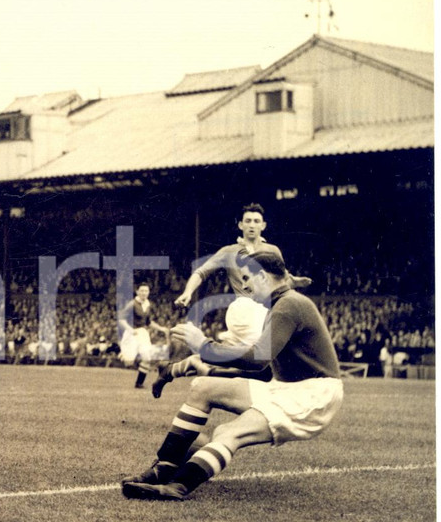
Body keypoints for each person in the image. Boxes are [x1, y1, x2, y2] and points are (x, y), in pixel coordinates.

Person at [121, 252, 342, 501]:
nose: (244, 285)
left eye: (247, 277)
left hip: (313, 394)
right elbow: (263, 370)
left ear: (262, 275)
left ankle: (179, 486)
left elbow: (257, 358)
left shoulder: (289, 305)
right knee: (203, 388)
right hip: (287, 387)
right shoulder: (283, 303)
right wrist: (205, 369)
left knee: (228, 432)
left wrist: (203, 345)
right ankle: (165, 468)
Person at [152, 203, 310, 398]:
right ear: (240, 225)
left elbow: (280, 277)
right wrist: (187, 292)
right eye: (248, 221)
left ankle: (174, 369)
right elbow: (202, 271)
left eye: (256, 221)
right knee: (263, 362)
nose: (252, 224)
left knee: (254, 365)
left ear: (264, 225)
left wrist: (296, 281)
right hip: (244, 308)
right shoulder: (229, 251)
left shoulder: (273, 251)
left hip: (265, 310)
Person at [118, 282, 169, 388]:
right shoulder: (132, 304)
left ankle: (139, 383)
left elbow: (148, 322)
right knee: (129, 362)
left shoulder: (148, 304)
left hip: (142, 333)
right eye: (142, 291)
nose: (144, 293)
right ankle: (121, 353)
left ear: (149, 292)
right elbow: (121, 319)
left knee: (147, 357)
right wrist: (130, 329)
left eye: (146, 291)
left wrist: (161, 329)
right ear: (137, 292)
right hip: (132, 333)